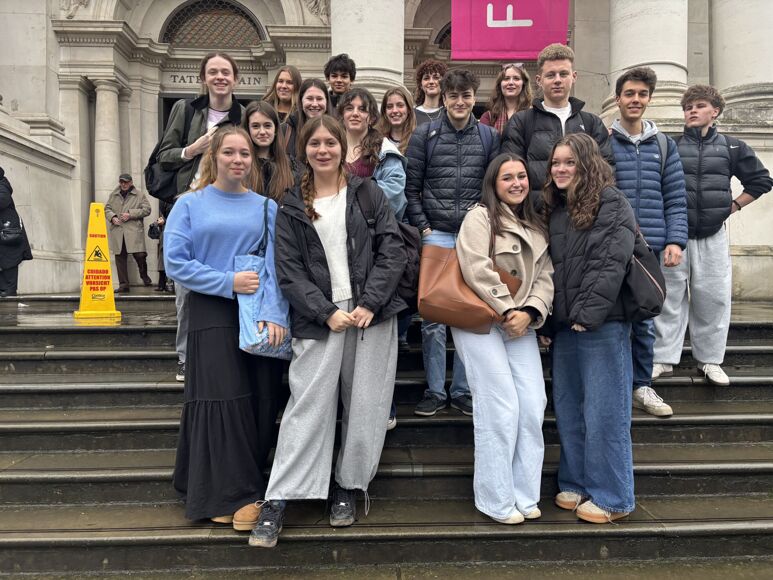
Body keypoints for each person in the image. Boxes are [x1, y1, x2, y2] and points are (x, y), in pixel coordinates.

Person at [249, 115, 406, 549]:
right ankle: (279, 496)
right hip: (318, 318)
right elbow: (288, 270)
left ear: (342, 147)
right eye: (314, 143)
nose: (323, 150)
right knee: (307, 405)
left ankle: (347, 486)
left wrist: (369, 302)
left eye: (330, 143)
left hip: (371, 314)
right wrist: (325, 312)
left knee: (366, 405)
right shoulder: (290, 204)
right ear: (304, 150)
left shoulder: (367, 192)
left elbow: (392, 250)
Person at [164, 125, 289, 532]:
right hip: (211, 311)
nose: (238, 160)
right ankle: (229, 494)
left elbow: (274, 266)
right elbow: (175, 262)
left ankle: (236, 486)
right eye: (229, 152)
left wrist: (275, 313)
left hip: (256, 314)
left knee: (259, 400)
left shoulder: (266, 207)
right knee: (222, 400)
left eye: (245, 153)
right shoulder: (189, 204)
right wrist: (227, 282)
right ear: (213, 156)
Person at [452, 153, 553, 524]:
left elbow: (545, 277)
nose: (516, 183)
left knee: (533, 403)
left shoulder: (536, 224)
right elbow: (475, 266)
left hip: (519, 323)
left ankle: (524, 494)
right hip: (480, 319)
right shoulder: (480, 217)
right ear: (493, 184)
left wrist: (530, 312)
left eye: (521, 176)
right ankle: (494, 498)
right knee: (500, 405)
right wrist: (509, 309)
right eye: (507, 177)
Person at [543, 133, 637, 524]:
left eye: (569, 162)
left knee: (605, 411)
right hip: (567, 325)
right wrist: (553, 322)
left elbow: (610, 262)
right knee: (570, 408)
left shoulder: (611, 201)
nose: (560, 169)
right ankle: (576, 481)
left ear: (587, 164)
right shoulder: (558, 209)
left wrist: (589, 313)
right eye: (556, 163)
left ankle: (614, 496)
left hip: (602, 323)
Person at [652, 85, 773, 386]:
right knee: (669, 298)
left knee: (714, 298)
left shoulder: (733, 147)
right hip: (675, 236)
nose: (692, 110)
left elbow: (761, 181)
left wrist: (733, 206)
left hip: (713, 235)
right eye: (688, 107)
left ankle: (710, 361)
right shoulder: (670, 145)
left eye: (699, 105)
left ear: (715, 111)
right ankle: (663, 358)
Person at [405, 69, 499, 418]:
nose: (460, 102)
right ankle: (434, 390)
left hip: (474, 237)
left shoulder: (489, 137)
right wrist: (424, 227)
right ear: (443, 98)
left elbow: (494, 188)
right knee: (433, 316)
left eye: (466, 95)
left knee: (468, 313)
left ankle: (461, 389)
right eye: (453, 96)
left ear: (474, 98)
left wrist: (485, 224)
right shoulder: (424, 135)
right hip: (438, 235)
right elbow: (411, 188)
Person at [157, 51, 245, 383]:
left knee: (230, 281)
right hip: (191, 202)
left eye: (226, 72)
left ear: (235, 78)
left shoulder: (243, 115)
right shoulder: (185, 109)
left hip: (229, 203)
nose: (220, 77)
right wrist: (193, 148)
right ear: (203, 78)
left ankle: (227, 353)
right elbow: (164, 156)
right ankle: (185, 357)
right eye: (213, 72)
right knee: (185, 287)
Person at [610, 67, 688, 417]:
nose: (635, 100)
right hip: (612, 245)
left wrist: (676, 240)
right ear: (618, 98)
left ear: (649, 99)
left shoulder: (664, 145)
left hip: (649, 249)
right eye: (629, 93)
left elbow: (675, 198)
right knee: (612, 319)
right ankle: (615, 385)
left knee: (644, 320)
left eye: (642, 94)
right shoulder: (604, 141)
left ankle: (642, 385)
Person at [339, 87, 408, 430]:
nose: (355, 113)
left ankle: (384, 405)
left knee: (375, 333)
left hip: (374, 248)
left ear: (370, 115)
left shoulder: (383, 151)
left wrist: (348, 208)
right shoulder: (332, 145)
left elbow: (393, 197)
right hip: (337, 248)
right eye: (349, 107)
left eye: (362, 108)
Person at [501, 43, 614, 207]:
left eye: (563, 74)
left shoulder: (592, 123)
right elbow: (510, 172)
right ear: (539, 80)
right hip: (536, 215)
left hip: (583, 214)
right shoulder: (521, 122)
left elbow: (606, 171)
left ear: (574, 77)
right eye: (551, 75)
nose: (558, 80)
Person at [105, 174, 152, 293]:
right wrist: (112, 217)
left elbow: (147, 210)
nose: (123, 184)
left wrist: (130, 214)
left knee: (140, 255)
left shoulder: (139, 195)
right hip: (118, 231)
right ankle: (124, 285)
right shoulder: (114, 195)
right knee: (120, 258)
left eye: (126, 182)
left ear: (131, 182)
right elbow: (107, 209)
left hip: (133, 231)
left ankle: (144, 275)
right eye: (121, 182)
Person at [243, 100, 298, 201]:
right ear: (248, 129)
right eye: (255, 126)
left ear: (275, 129)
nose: (262, 132)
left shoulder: (291, 166)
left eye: (267, 125)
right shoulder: (240, 165)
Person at [0, 167, 32, 297]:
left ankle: (8, 291)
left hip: (9, 232)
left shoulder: (2, 185)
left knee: (9, 262)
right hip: (6, 233)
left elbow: (2, 201)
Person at [282, 78, 332, 160]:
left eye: (319, 99)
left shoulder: (337, 131)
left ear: (326, 101)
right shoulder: (285, 130)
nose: (315, 104)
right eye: (309, 98)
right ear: (301, 101)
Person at [480, 63, 533, 134]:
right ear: (500, 84)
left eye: (516, 78)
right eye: (506, 78)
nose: (511, 82)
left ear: (524, 84)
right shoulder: (488, 117)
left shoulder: (534, 115)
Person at [376, 86, 417, 155]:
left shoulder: (418, 140)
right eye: (389, 106)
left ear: (409, 109)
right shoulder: (376, 140)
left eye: (400, 105)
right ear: (384, 111)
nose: (394, 110)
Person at [413, 59, 448, 126]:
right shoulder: (411, 115)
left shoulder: (449, 113)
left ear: (443, 83)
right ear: (420, 85)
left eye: (436, 77)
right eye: (426, 78)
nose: (431, 82)